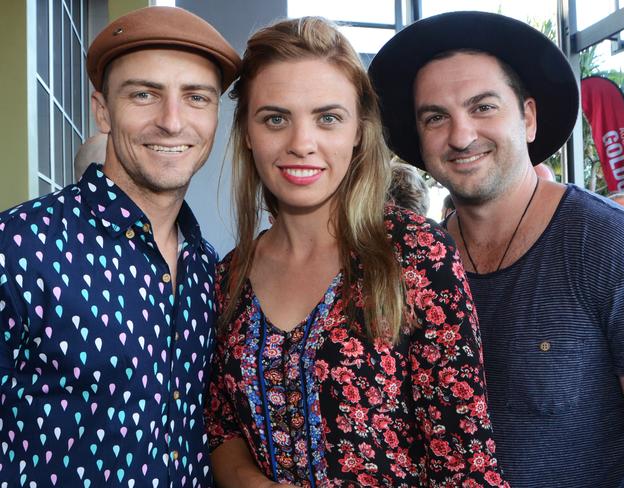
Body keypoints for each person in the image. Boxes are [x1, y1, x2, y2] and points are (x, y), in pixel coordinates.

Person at [205, 16, 508, 488]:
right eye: (275, 118)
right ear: (247, 130)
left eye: (328, 118)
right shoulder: (228, 278)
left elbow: (465, 465)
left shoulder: (414, 253)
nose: (301, 144)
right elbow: (221, 427)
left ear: (359, 131)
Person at [369, 11, 624, 487]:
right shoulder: (416, 263)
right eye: (436, 117)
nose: (461, 136)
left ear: (528, 118)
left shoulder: (610, 243)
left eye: (483, 107)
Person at [0, 6, 241, 486]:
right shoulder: (19, 248)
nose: (172, 122)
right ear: (102, 109)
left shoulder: (206, 265)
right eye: (144, 94)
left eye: (196, 97)